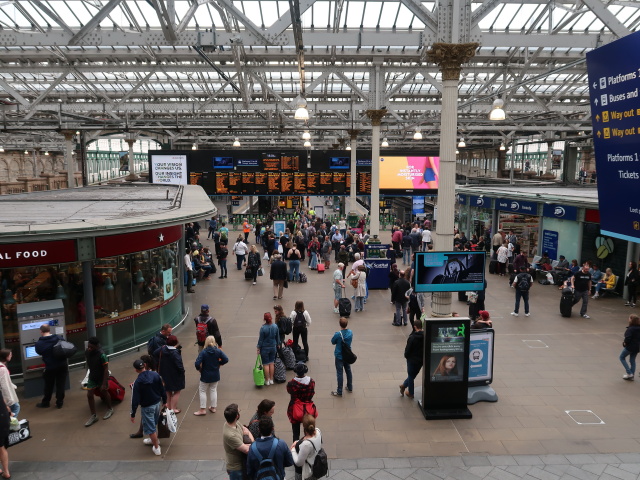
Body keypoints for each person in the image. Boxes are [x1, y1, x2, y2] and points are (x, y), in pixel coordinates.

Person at [130, 358, 166, 456]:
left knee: (150, 428)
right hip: (157, 403)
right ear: (144, 365)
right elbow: (162, 388)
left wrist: (132, 413)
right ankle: (153, 440)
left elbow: (135, 400)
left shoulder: (137, 382)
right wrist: (165, 401)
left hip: (147, 407)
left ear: (136, 370)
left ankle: (156, 447)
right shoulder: (155, 375)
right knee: (153, 423)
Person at [34, 324, 69, 409]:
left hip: (50, 366)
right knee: (61, 384)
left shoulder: (39, 343)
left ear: (41, 332)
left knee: (48, 385)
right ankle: (59, 402)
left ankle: (46, 402)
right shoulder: (58, 338)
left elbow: (39, 352)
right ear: (49, 330)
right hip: (62, 365)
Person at [193, 336, 228, 416]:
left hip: (205, 375)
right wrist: (219, 364)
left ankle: (202, 409)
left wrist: (199, 369)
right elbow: (226, 359)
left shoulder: (203, 352)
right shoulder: (218, 351)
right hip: (215, 374)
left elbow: (197, 363)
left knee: (202, 391)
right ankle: (213, 407)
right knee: (213, 390)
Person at [84, 337, 114, 427]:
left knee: (104, 391)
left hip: (102, 377)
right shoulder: (87, 352)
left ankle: (110, 409)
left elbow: (105, 369)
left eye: (91, 347)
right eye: (88, 347)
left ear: (96, 346)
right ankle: (94, 415)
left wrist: (104, 383)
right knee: (89, 395)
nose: (89, 349)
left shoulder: (102, 355)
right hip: (92, 376)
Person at [153, 335, 185, 413]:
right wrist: (182, 371)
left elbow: (154, 353)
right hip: (175, 375)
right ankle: (173, 409)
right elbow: (179, 365)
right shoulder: (175, 353)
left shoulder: (162, 349)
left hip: (164, 373)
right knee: (177, 391)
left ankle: (169, 408)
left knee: (168, 391)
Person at [286, 362, 317, 442]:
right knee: (308, 429)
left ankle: (295, 447)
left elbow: (290, 391)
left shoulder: (291, 384)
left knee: (295, 433)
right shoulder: (311, 382)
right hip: (308, 409)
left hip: (295, 409)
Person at [223, 403, 254, 480]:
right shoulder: (230, 435)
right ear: (237, 416)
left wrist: (251, 441)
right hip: (236, 468)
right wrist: (253, 443)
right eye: (239, 411)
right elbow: (247, 450)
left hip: (241, 464)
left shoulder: (234, 423)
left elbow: (246, 430)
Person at [291, 414, 322, 480]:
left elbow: (299, 463)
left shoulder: (306, 444)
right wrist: (297, 441)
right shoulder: (318, 431)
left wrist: (293, 449)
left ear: (303, 426)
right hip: (316, 465)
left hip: (307, 472)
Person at [399, 317, 424, 399]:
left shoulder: (412, 337)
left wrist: (406, 356)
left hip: (412, 360)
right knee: (412, 375)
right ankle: (404, 385)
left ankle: (411, 393)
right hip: (421, 360)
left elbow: (408, 350)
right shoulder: (425, 336)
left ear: (415, 327)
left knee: (410, 375)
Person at [330, 317, 353, 397]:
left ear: (340, 324)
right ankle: (350, 387)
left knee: (340, 373)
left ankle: (339, 391)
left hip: (339, 356)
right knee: (348, 370)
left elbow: (333, 342)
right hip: (347, 355)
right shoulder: (350, 332)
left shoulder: (338, 334)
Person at [257, 312, 279, 386]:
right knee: (271, 363)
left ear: (264, 319)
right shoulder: (275, 326)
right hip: (273, 346)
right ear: (271, 318)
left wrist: (258, 347)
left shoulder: (263, 328)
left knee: (265, 364)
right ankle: (272, 379)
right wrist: (278, 344)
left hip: (265, 348)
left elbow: (261, 339)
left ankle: (267, 380)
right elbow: (277, 337)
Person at [620, 314, 640, 380]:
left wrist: (625, 343)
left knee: (622, 357)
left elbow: (627, 339)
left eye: (629, 318)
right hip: (637, 347)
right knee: (632, 360)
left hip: (630, 347)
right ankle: (632, 375)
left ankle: (629, 373)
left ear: (631, 320)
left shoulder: (630, 329)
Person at [0, 350, 18, 419]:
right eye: (10, 355)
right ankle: (11, 423)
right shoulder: (2, 369)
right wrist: (9, 400)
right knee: (16, 407)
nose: (11, 356)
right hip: (3, 395)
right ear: (6, 357)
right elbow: (4, 385)